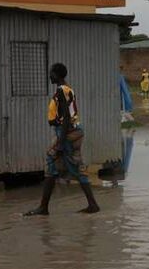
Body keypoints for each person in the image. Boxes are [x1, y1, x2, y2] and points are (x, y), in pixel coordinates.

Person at [25, 63, 100, 216]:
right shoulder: (67, 89)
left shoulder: (61, 91)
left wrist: (60, 143)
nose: (49, 76)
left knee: (64, 164)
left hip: (67, 134)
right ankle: (44, 207)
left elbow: (66, 117)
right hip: (70, 132)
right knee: (57, 165)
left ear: (57, 74)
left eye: (51, 73)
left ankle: (45, 208)